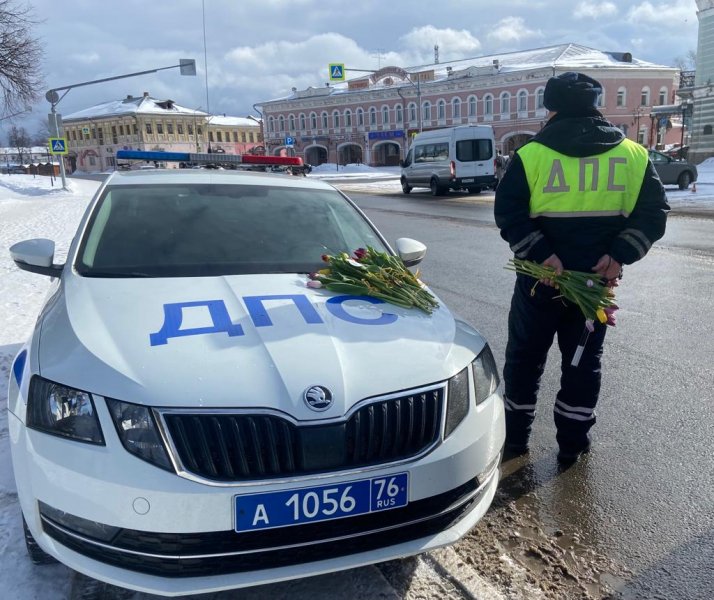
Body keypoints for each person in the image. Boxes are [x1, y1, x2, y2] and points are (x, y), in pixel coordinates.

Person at [494, 72, 669, 464]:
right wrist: (619, 254)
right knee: (582, 363)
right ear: (596, 105)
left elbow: (508, 213)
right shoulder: (633, 155)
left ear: (551, 108)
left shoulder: (531, 155)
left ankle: (516, 441)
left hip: (540, 282)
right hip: (594, 284)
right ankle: (572, 445)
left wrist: (543, 256)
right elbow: (653, 213)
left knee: (524, 358)